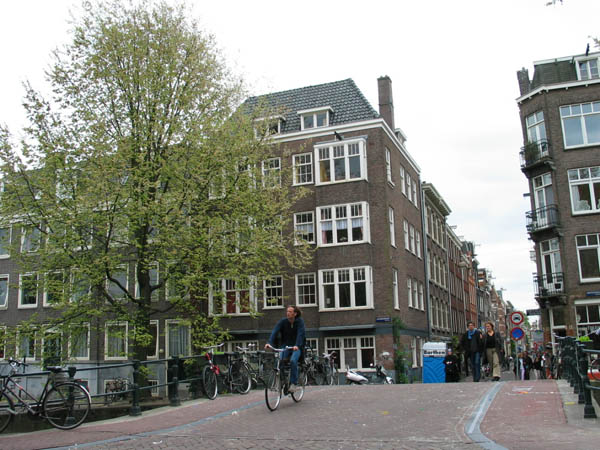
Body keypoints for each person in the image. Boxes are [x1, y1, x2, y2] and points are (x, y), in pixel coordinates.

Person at [265, 305, 306, 393]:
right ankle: (282, 380)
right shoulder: (283, 322)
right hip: (286, 346)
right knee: (279, 360)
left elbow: (300, 334)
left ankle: (293, 383)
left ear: (295, 314)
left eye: (290, 312)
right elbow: (274, 331)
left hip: (296, 347)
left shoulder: (300, 322)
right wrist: (269, 343)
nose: (288, 313)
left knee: (293, 361)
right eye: (287, 311)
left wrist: (297, 345)